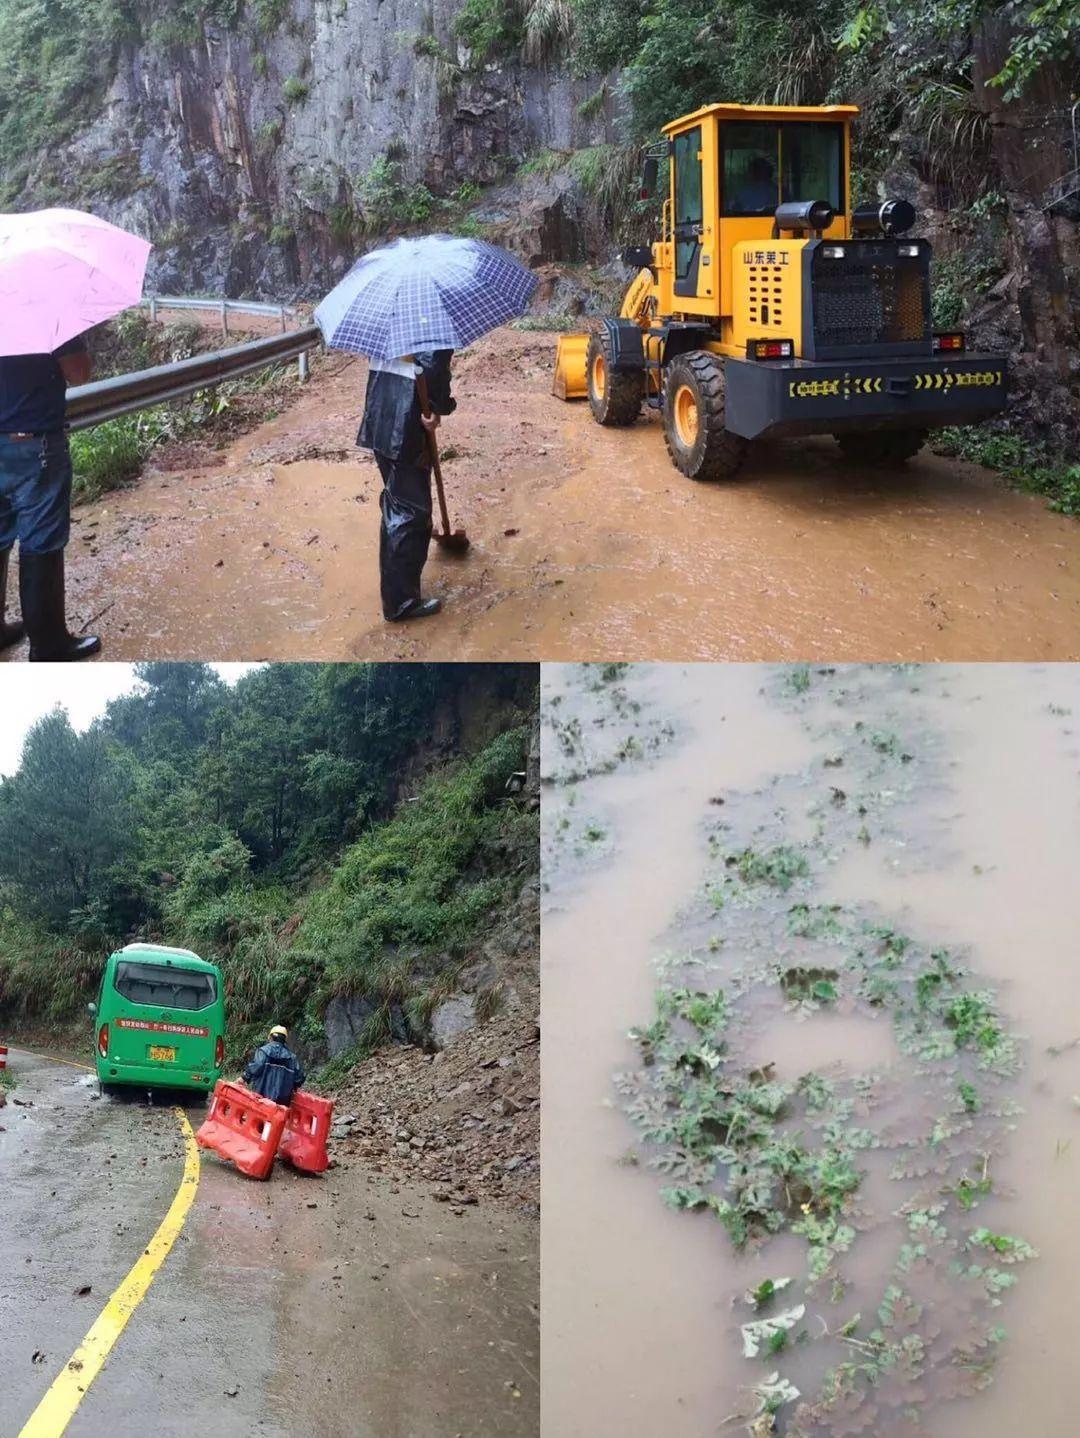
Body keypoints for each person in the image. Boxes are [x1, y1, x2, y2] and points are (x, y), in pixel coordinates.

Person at [0, 334, 102, 661]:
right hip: (33, 445)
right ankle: (49, 644)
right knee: (41, 540)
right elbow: (78, 372)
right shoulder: (47, 308)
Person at [357, 350, 456, 622]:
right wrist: (436, 408)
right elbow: (433, 367)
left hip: (379, 417)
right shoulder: (431, 322)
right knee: (410, 513)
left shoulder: (388, 321)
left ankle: (398, 589)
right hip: (406, 425)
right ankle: (401, 603)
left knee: (398, 501)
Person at [243, 1024, 306, 1106]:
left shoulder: (263, 1051)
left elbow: (255, 1067)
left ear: (270, 1037)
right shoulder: (292, 1058)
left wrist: (244, 1078)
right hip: (281, 1105)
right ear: (285, 1040)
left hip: (261, 1100)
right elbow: (299, 1078)